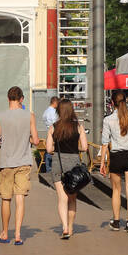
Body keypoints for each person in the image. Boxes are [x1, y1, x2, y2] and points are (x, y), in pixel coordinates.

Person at [0, 86, 38, 245]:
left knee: (6, 199)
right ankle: (19, 235)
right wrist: (27, 139)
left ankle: (5, 233)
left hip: (7, 163)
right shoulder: (30, 115)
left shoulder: (0, 116)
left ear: (8, 99)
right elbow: (35, 140)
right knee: (20, 198)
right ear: (21, 99)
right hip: (24, 162)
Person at [46, 99, 89, 240]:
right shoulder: (79, 127)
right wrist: (74, 148)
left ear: (59, 111)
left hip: (58, 163)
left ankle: (64, 227)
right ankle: (70, 227)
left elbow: (48, 149)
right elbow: (84, 147)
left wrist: (58, 149)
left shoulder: (53, 127)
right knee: (72, 198)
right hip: (74, 164)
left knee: (62, 198)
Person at [99, 92, 128, 233]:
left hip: (116, 156)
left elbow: (105, 143)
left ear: (112, 102)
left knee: (116, 190)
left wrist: (103, 162)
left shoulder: (108, 120)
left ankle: (116, 221)